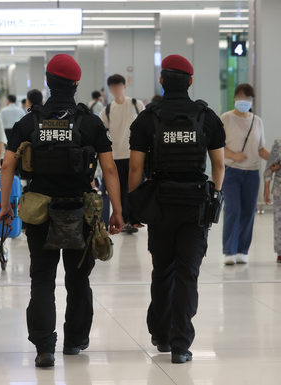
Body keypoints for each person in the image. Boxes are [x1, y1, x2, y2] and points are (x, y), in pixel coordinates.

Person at [0, 54, 124, 368]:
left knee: (41, 278)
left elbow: (9, 163)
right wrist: (118, 210)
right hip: (81, 211)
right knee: (78, 278)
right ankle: (75, 341)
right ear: (77, 84)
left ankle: (44, 347)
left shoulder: (30, 121)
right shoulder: (91, 122)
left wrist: (4, 206)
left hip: (39, 210)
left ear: (48, 83)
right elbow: (109, 170)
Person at [129, 55, 226, 364]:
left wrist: (135, 205)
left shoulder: (147, 118)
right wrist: (216, 195)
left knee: (163, 269)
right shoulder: (206, 116)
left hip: (159, 204)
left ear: (162, 81)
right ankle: (180, 344)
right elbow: (219, 164)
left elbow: (135, 167)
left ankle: (160, 333)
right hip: (196, 206)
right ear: (190, 81)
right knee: (187, 274)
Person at [221, 84, 270, 265]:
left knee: (248, 212)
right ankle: (229, 251)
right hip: (231, 172)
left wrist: (275, 161)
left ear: (252, 101)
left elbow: (260, 148)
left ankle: (242, 250)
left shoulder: (257, 121)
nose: (245, 101)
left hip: (252, 173)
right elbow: (218, 147)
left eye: (248, 98)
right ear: (235, 98)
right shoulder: (226, 118)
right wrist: (234, 155)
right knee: (232, 210)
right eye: (241, 97)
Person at [100, 74, 145, 233]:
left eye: (118, 86)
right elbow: (103, 134)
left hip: (135, 154)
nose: (116, 89)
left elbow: (144, 127)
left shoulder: (136, 104)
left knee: (133, 188)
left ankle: (133, 220)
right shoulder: (107, 110)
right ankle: (125, 220)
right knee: (120, 190)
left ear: (124, 86)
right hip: (116, 155)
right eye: (113, 87)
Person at [264, 137, 281, 263]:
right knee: (279, 222)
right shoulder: (279, 142)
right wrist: (266, 187)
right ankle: (280, 252)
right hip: (279, 190)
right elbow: (270, 166)